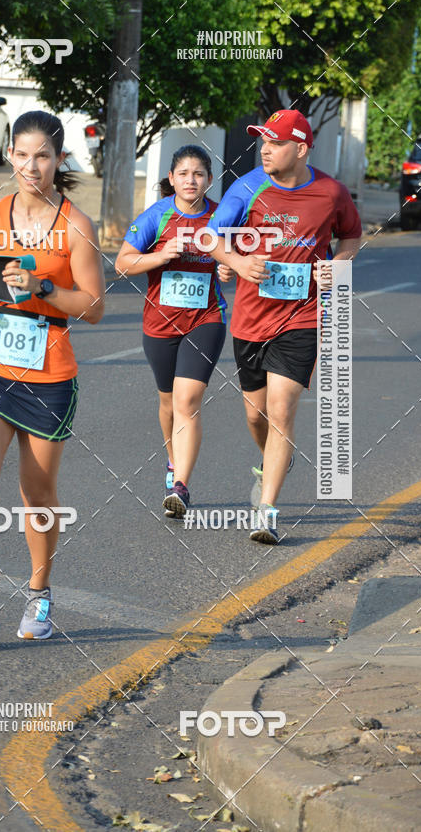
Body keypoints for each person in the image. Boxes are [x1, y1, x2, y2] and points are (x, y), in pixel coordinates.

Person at [0, 110, 105, 644]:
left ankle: (39, 593)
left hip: (49, 374)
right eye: (21, 153)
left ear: (60, 159)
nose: (30, 165)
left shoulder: (77, 225)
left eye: (42, 155)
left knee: (36, 493)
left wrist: (41, 288)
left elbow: (94, 306)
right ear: (9, 154)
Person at [212, 109, 361, 544]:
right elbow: (213, 237)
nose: (264, 149)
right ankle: (273, 460)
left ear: (300, 148)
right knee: (256, 415)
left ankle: (268, 511)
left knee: (281, 410)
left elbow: (351, 237)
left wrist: (338, 265)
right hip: (251, 319)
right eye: (263, 142)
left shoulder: (332, 193)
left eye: (274, 143)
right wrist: (237, 261)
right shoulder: (247, 187)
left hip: (304, 316)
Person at [115, 145, 230, 518]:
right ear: (171, 179)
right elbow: (123, 263)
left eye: (198, 174)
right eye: (183, 173)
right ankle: (171, 459)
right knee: (168, 402)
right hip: (160, 323)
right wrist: (162, 256)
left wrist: (229, 268)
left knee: (188, 402)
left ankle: (180, 486)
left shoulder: (221, 217)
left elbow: (239, 257)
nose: (191, 180)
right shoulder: (157, 216)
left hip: (206, 319)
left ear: (209, 180)